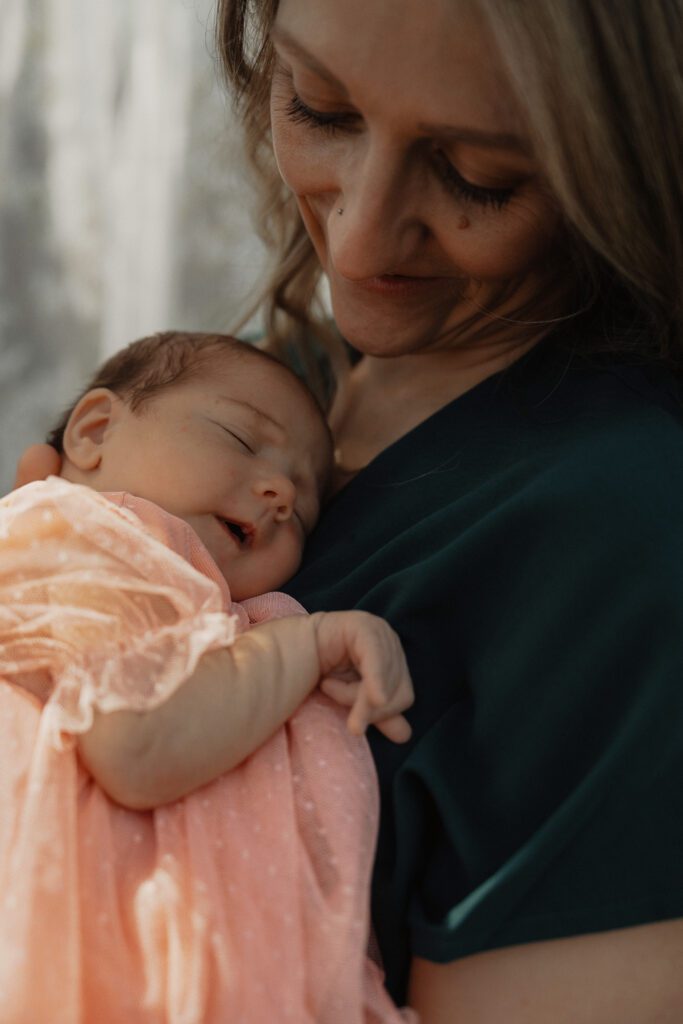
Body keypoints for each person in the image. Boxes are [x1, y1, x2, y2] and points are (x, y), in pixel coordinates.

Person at [17, 0, 683, 1020]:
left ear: (624, 157)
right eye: (319, 108)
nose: (359, 238)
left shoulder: (626, 537)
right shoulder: (270, 392)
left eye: (477, 175)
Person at [0, 331, 415, 1024]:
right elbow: (138, 744)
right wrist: (306, 645)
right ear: (95, 432)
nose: (281, 494)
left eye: (304, 514)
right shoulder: (88, 535)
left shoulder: (200, 603)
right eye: (242, 439)